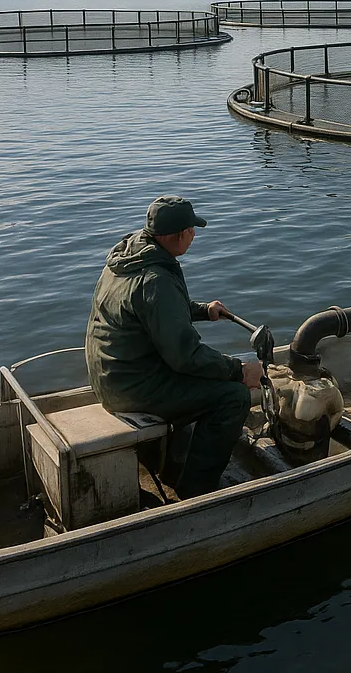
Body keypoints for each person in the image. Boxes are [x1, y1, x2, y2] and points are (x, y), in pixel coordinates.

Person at [85, 195, 263, 499]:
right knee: (232, 396)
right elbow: (186, 356)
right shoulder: (156, 278)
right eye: (191, 230)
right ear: (176, 236)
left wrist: (202, 310)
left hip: (109, 377)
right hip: (132, 388)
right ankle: (197, 490)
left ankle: (169, 464)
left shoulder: (127, 259)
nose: (194, 235)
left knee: (202, 377)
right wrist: (239, 371)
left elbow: (151, 310)